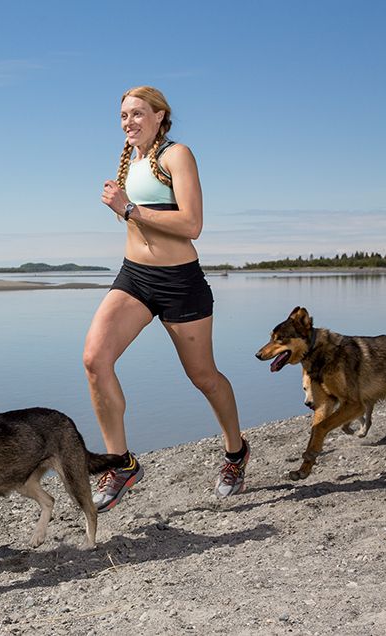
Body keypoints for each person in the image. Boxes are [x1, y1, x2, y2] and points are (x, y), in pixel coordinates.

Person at [83, 86, 249, 511]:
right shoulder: (131, 162)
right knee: (95, 360)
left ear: (160, 116)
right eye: (123, 116)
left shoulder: (177, 155)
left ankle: (235, 452)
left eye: (138, 113)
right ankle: (120, 464)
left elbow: (192, 223)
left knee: (204, 377)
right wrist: (124, 207)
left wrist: (130, 209)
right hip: (134, 278)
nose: (129, 122)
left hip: (180, 283)